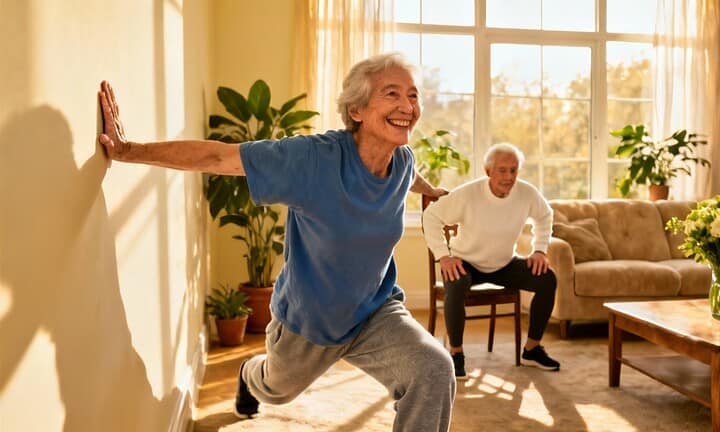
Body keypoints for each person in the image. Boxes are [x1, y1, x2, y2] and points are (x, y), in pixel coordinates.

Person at [98, 53, 456, 431]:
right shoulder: (312, 160)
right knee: (275, 389)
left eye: (413, 96)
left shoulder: (401, 160)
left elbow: (411, 175)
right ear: (357, 111)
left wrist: (430, 190)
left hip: (375, 311)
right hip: (310, 322)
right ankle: (249, 375)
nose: (407, 106)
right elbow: (219, 157)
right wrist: (127, 150)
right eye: (392, 94)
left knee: (434, 369)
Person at [422, 143, 560, 379]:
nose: (509, 177)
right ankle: (456, 354)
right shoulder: (469, 194)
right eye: (502, 171)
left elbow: (545, 215)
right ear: (488, 171)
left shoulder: (526, 193)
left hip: (503, 264)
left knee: (547, 279)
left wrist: (540, 250)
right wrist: (444, 257)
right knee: (455, 283)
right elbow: (431, 216)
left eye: (513, 171)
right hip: (466, 262)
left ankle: (532, 349)